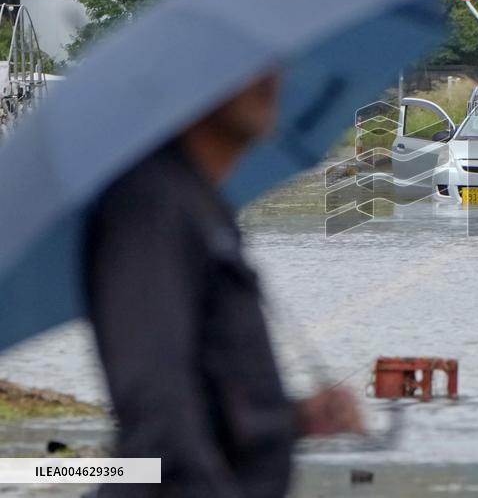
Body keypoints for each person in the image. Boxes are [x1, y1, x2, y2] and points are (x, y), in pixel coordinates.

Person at [85, 73, 363, 497]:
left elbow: (210, 401)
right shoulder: (150, 206)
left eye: (271, 66)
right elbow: (156, 409)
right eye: (246, 72)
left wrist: (293, 419)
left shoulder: (200, 201)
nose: (269, 80)